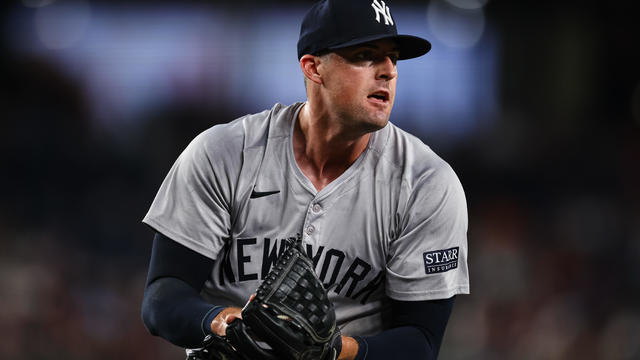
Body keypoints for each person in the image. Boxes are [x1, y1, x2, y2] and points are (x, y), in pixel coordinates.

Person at [141, 0, 470, 359]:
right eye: (365, 55)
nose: (388, 71)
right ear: (314, 68)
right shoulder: (224, 153)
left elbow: (421, 342)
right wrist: (226, 324)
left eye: (392, 57)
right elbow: (162, 297)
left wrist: (327, 352)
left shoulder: (426, 182)